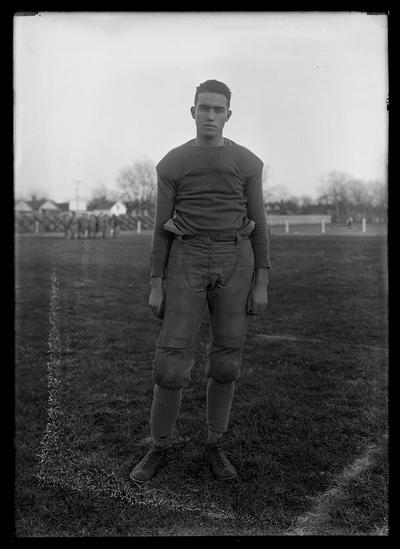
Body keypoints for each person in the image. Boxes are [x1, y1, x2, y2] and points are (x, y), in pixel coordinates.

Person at [130, 79, 270, 484]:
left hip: (235, 257)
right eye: (203, 108)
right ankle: (159, 446)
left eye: (218, 109)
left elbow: (259, 225)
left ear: (228, 114)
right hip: (187, 255)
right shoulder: (172, 163)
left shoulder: (248, 162)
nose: (210, 115)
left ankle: (214, 444)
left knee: (227, 358)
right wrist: (156, 281)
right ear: (192, 112)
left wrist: (262, 279)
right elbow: (160, 228)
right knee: (171, 363)